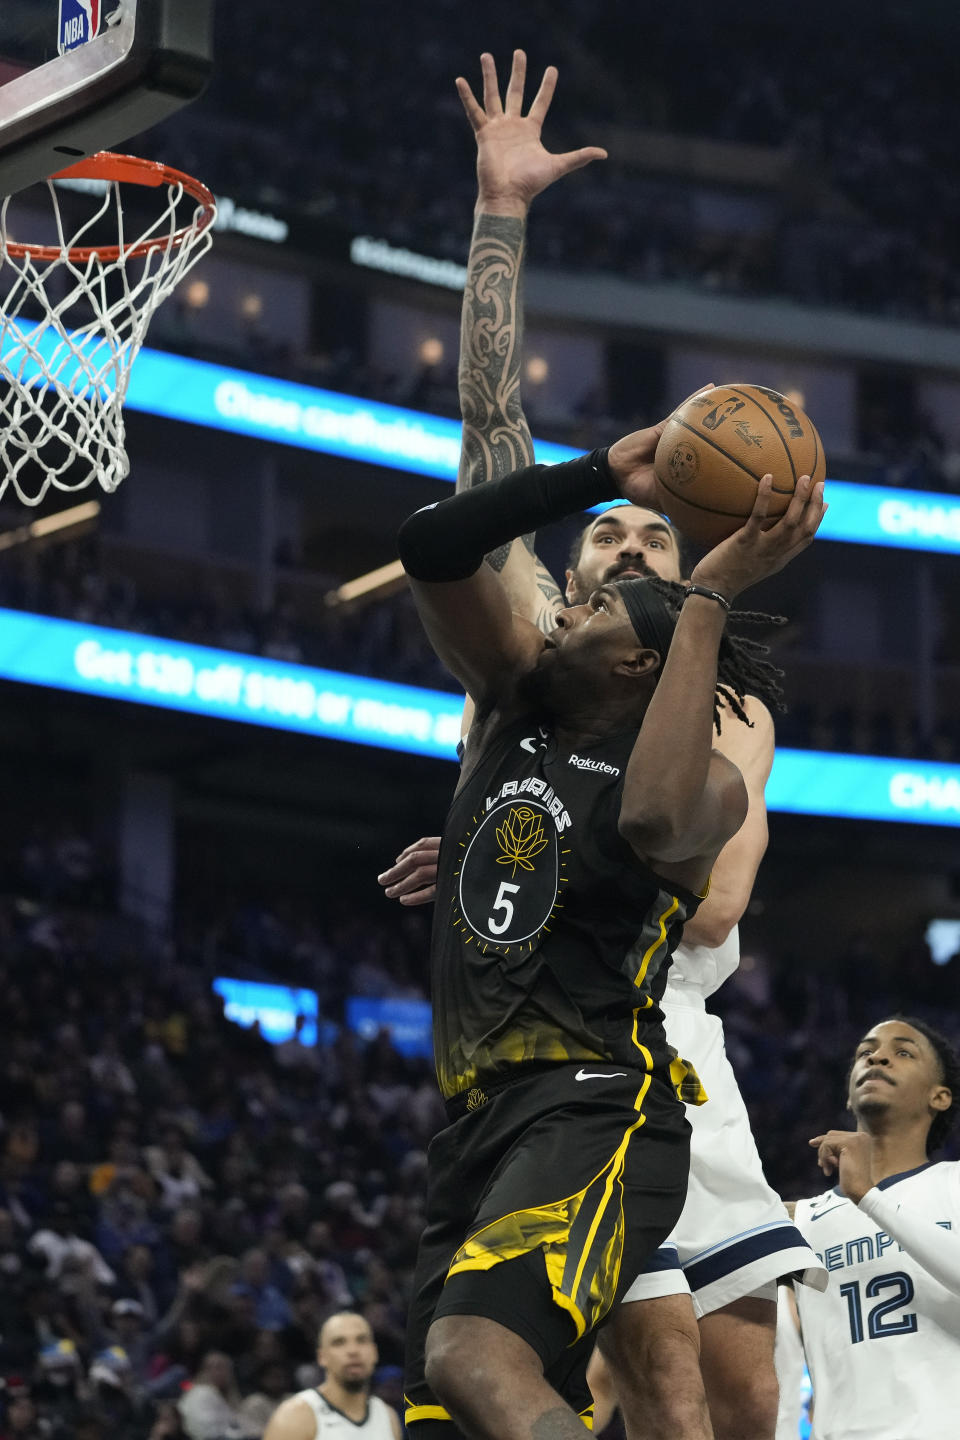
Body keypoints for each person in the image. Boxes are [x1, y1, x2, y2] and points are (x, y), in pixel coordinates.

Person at [379, 50, 825, 1440]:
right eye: (603, 536)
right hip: (494, 1074)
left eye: (652, 541)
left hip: (639, 1032)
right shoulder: (524, 658)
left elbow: (700, 880)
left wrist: (703, 602)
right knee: (514, 1378)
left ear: (656, 628)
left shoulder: (711, 692)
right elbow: (484, 438)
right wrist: (499, 214)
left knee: (701, 1378)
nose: (626, 538)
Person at [788, 1015, 960, 1439]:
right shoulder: (797, 1220)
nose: (878, 1057)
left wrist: (868, 1197)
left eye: (903, 1052)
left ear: (940, 1097)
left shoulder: (953, 1184)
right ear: (848, 1095)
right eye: (865, 1052)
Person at [263, 1312, 401, 1440]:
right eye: (339, 1342)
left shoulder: (388, 1417)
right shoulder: (294, 1416)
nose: (353, 1351)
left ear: (374, 1352)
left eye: (361, 1340)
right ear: (322, 1356)